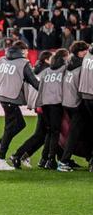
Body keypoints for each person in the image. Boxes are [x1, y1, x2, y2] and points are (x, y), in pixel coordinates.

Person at [0, 40, 38, 171]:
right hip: (11, 99)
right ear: (22, 51)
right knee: (10, 127)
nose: (27, 53)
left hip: (3, 98)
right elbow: (34, 82)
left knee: (19, 124)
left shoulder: (2, 60)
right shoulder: (23, 63)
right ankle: (0, 160)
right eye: (26, 51)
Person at [8, 50, 52, 169]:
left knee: (42, 135)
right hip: (43, 104)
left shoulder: (37, 69)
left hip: (39, 105)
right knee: (42, 134)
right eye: (51, 58)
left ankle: (23, 155)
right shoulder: (47, 71)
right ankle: (19, 155)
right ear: (46, 60)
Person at [56, 41, 89, 172]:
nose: (86, 52)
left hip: (67, 103)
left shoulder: (68, 65)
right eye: (83, 50)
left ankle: (88, 157)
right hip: (77, 104)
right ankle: (63, 161)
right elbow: (83, 88)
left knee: (81, 133)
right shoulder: (81, 68)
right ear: (78, 53)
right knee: (74, 134)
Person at [35, 50, 69, 170]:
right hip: (56, 103)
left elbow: (40, 88)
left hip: (45, 104)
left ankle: (44, 159)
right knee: (55, 132)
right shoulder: (64, 70)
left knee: (50, 132)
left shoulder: (46, 71)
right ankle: (51, 160)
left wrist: (38, 104)